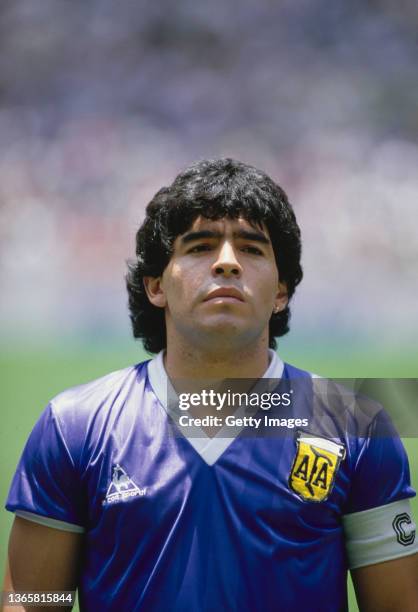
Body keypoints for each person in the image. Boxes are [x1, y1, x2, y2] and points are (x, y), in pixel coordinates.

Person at [3, 158, 418, 611]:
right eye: (200, 246)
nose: (226, 263)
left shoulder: (357, 425)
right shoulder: (74, 425)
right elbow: (32, 598)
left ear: (281, 291)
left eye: (252, 249)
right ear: (156, 285)